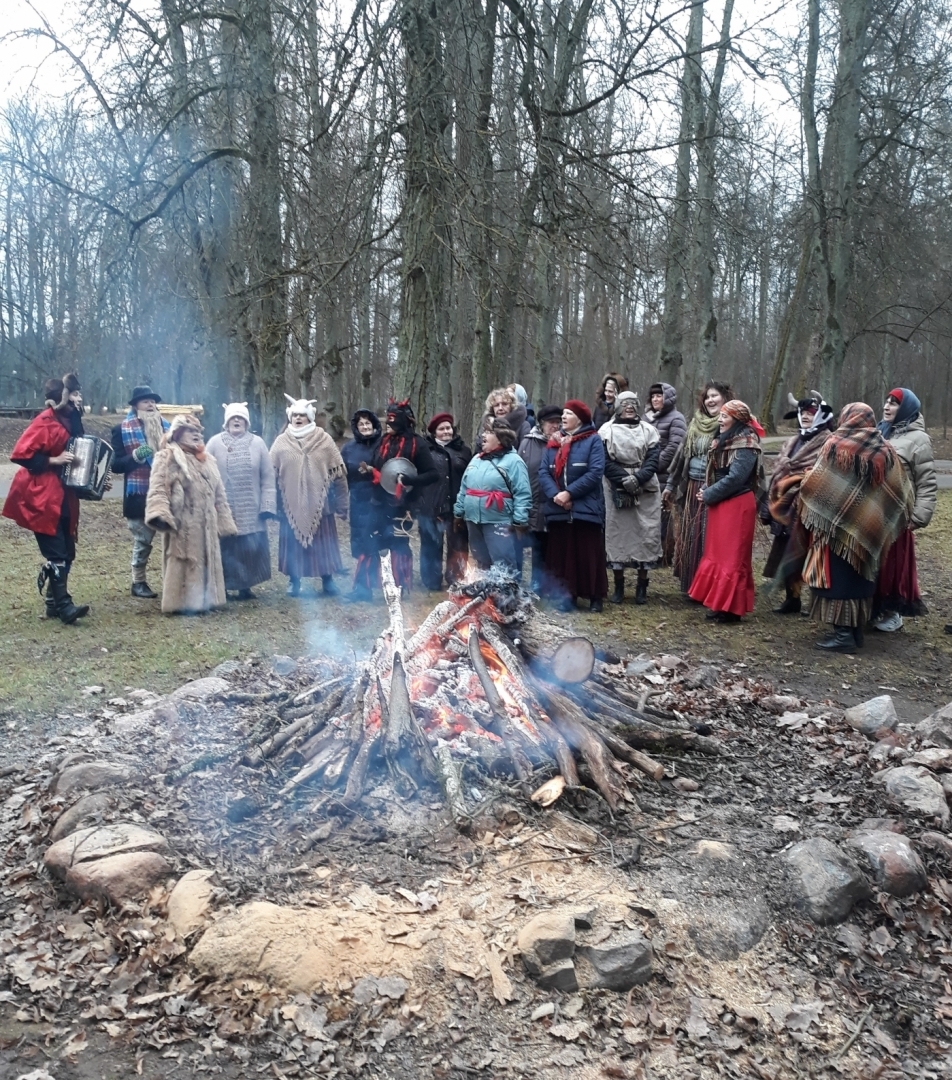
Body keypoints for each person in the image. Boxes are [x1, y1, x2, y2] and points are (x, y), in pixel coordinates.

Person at [799, 403, 913, 653]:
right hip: (868, 530)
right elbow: (901, 490)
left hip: (836, 529)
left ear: (846, 419)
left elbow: (818, 484)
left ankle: (843, 636)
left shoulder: (835, 444)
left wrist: (806, 480)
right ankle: (855, 632)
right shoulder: (886, 449)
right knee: (859, 577)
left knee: (839, 579)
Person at [2, 372, 90, 623]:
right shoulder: (44, 421)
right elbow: (21, 455)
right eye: (74, 393)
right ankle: (64, 607)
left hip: (64, 494)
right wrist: (54, 459)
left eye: (78, 392)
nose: (79, 397)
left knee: (67, 551)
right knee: (57, 553)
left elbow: (81, 452)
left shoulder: (71, 420)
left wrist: (96, 478)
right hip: (41, 493)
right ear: (61, 397)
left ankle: (53, 602)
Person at [144, 414, 238, 615]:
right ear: (178, 433)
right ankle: (180, 602)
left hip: (208, 522)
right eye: (191, 431)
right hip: (183, 523)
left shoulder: (208, 460)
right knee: (184, 559)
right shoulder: (166, 457)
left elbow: (219, 494)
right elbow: (158, 489)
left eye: (198, 432)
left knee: (208, 557)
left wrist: (224, 521)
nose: (197, 435)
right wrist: (160, 514)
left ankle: (208, 599)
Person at [687, 399, 764, 624]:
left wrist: (709, 494)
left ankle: (732, 608)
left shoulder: (747, 442)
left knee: (733, 558)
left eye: (725, 416)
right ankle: (719, 603)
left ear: (737, 419)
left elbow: (736, 478)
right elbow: (716, 471)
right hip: (721, 504)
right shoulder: (724, 439)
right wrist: (705, 488)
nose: (720, 420)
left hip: (737, 504)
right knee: (718, 555)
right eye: (720, 415)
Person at [761, 392, 836, 614]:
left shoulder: (828, 441)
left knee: (812, 551)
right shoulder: (793, 440)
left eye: (811, 413)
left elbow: (827, 474)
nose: (805, 416)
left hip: (812, 504)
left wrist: (801, 478)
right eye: (802, 412)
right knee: (786, 548)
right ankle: (791, 599)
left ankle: (815, 601)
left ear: (821, 415)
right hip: (787, 503)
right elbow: (779, 467)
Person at [872, 387, 937, 632]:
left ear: (907, 408)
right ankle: (875, 609)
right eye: (887, 401)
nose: (887, 406)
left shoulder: (918, 439)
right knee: (874, 563)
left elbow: (927, 483)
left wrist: (919, 517)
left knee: (892, 566)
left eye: (894, 403)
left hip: (899, 516)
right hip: (874, 512)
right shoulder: (879, 431)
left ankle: (893, 613)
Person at [270, 396, 348, 597]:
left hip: (322, 505)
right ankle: (294, 581)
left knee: (324, 545)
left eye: (302, 415)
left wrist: (342, 503)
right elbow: (271, 475)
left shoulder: (324, 440)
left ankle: (328, 579)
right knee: (293, 545)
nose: (298, 418)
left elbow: (338, 474)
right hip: (290, 505)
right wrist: (272, 505)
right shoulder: (280, 442)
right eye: (294, 415)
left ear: (309, 417)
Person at [663, 381, 733, 596]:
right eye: (707, 397)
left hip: (716, 490)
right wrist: (670, 485)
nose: (710, 400)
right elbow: (681, 457)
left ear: (725, 399)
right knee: (691, 537)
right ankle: (691, 585)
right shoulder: (694, 424)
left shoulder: (731, 425)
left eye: (715, 396)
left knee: (710, 538)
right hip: (692, 487)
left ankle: (711, 588)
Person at [539, 400, 608, 612]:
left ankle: (595, 596)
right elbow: (544, 472)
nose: (564, 417)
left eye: (569, 413)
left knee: (588, 553)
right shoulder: (554, 442)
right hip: (558, 508)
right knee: (563, 553)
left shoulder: (593, 440)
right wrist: (557, 496)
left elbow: (595, 473)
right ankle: (567, 596)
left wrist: (570, 493)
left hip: (586, 508)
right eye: (564, 413)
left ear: (580, 418)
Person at [205, 402, 277, 600]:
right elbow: (204, 472)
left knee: (249, 547)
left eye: (241, 418)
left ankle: (246, 586)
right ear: (226, 422)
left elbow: (268, 478)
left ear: (246, 422)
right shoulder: (214, 442)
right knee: (226, 547)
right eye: (232, 418)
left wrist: (267, 505)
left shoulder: (258, 443)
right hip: (223, 507)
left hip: (251, 508)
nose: (236, 421)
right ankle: (224, 586)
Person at [365, 399, 438, 591]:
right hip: (378, 501)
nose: (389, 427)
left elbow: (432, 474)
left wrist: (409, 480)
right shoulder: (383, 441)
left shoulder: (417, 444)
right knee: (378, 539)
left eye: (393, 423)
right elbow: (378, 467)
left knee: (398, 542)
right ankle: (378, 582)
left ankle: (399, 585)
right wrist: (370, 472)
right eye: (388, 423)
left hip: (404, 504)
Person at [599, 391, 662, 605]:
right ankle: (618, 585)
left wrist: (638, 479)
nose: (629, 407)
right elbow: (604, 461)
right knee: (617, 537)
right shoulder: (606, 431)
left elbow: (653, 460)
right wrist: (624, 479)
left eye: (633, 403)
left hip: (645, 490)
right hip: (616, 488)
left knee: (647, 534)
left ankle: (642, 586)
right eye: (624, 403)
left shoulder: (649, 431)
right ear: (617, 406)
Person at [110, 385, 170, 599]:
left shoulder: (168, 428)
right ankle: (138, 582)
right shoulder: (121, 430)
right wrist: (136, 456)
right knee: (143, 540)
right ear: (136, 406)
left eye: (153, 401)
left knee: (172, 539)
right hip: (138, 495)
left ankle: (173, 582)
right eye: (146, 401)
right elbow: (115, 465)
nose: (151, 405)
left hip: (167, 492)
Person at [454, 420, 531, 571]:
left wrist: (520, 521)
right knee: (481, 561)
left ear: (501, 437)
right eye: (484, 431)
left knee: (503, 564)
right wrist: (458, 512)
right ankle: (485, 593)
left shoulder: (514, 461)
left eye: (489, 432)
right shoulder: (477, 459)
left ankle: (505, 593)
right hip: (473, 520)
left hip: (499, 521)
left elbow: (522, 493)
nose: (483, 435)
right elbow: (464, 488)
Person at [418, 412, 472, 590]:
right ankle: (431, 581)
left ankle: (456, 578)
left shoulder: (463, 450)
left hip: (457, 506)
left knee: (458, 544)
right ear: (434, 432)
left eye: (448, 427)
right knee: (431, 544)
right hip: (431, 505)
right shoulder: (424, 450)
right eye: (442, 429)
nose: (446, 431)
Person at [518, 404, 562, 592]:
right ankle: (517, 584)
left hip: (554, 504)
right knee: (524, 545)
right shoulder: (528, 442)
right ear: (542, 424)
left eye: (558, 422)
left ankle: (541, 586)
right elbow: (520, 471)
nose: (555, 426)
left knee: (545, 549)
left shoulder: (564, 443)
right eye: (551, 423)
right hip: (530, 503)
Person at [340, 408, 382, 603]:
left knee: (374, 542)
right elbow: (342, 475)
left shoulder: (384, 445)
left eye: (368, 423)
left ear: (374, 425)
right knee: (360, 541)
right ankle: (363, 586)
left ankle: (370, 585)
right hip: (357, 499)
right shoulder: (348, 448)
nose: (365, 427)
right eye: (361, 424)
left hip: (380, 499)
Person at [644, 381, 686, 564]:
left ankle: (664, 556)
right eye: (653, 396)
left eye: (659, 395)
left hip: (663, 474)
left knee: (664, 517)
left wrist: (652, 465)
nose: (655, 399)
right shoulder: (645, 418)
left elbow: (674, 447)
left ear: (667, 398)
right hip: (644, 474)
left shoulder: (677, 418)